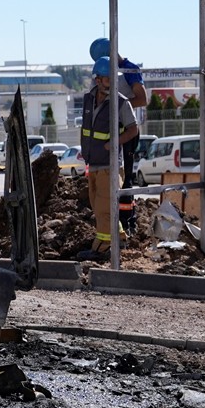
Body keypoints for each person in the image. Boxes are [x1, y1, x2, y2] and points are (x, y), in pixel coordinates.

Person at [78, 56, 139, 262]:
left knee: (104, 209)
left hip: (110, 166)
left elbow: (133, 129)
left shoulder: (121, 103)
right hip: (93, 164)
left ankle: (103, 248)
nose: (112, 83)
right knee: (99, 207)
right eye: (108, 79)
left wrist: (113, 144)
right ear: (98, 80)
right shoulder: (88, 100)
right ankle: (119, 238)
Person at [89, 38, 147, 233]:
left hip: (127, 133)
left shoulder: (129, 70)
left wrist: (119, 106)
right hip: (110, 135)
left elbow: (142, 99)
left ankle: (127, 222)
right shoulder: (103, 72)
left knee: (125, 179)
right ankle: (113, 221)